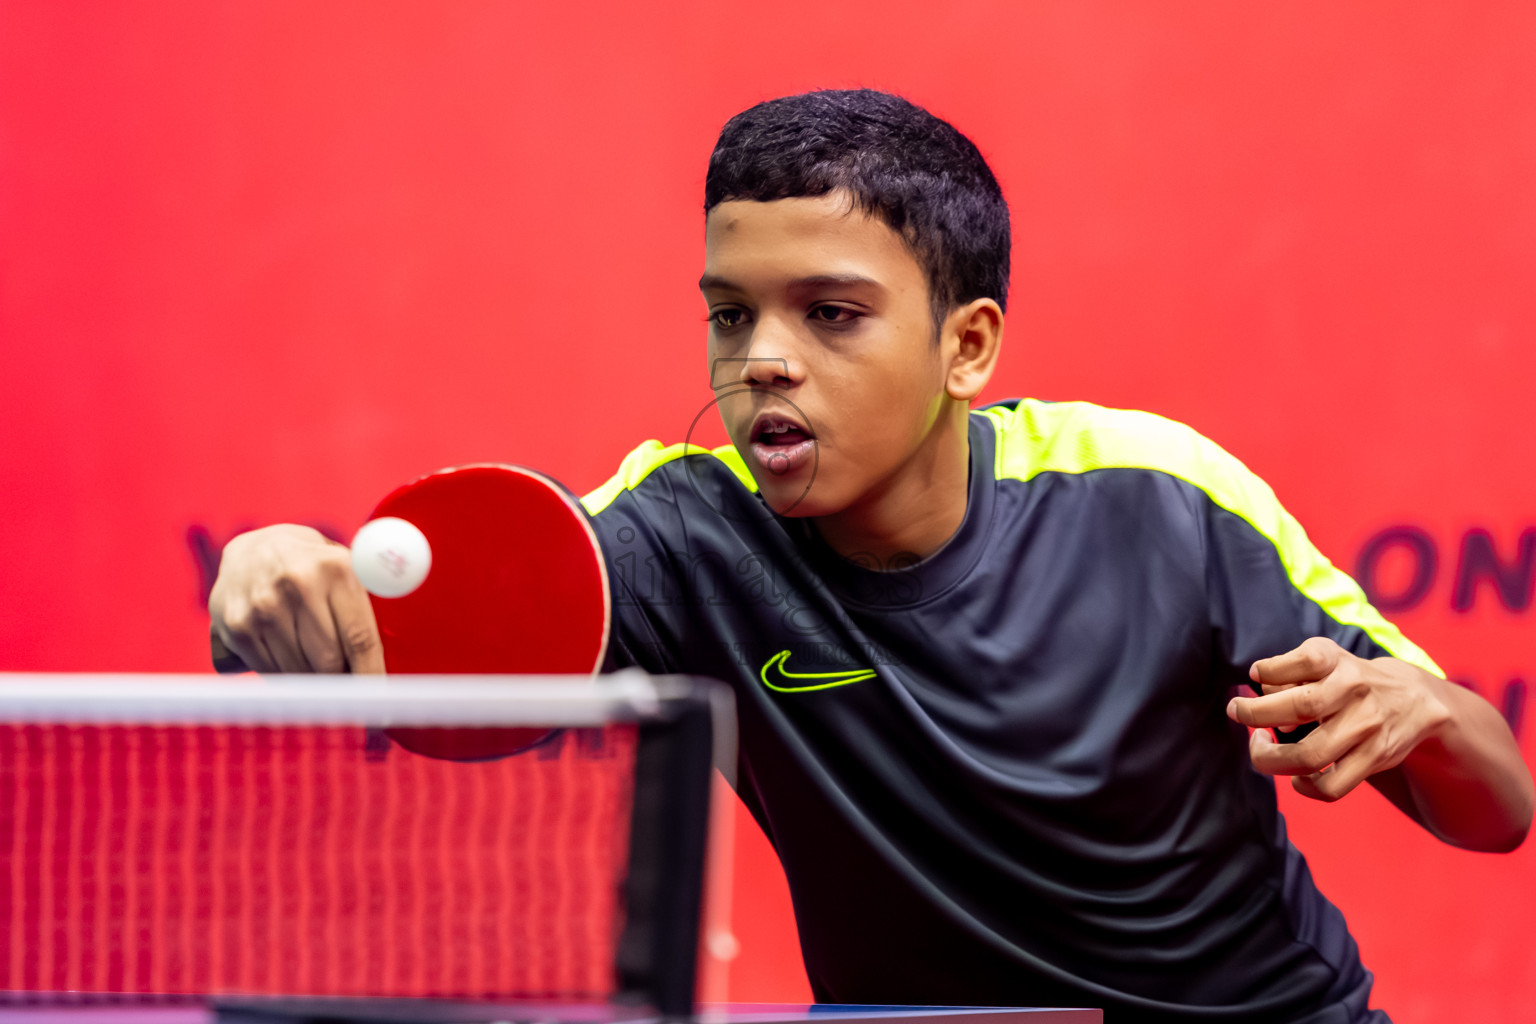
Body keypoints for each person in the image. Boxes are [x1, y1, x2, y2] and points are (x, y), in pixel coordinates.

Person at [209, 90, 1532, 1023]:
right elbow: (432, 680)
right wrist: (276, 586)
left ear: (967, 348)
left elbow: (1497, 811)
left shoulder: (1157, 497)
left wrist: (1426, 718)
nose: (764, 359)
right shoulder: (686, 538)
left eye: (831, 314)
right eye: (732, 316)